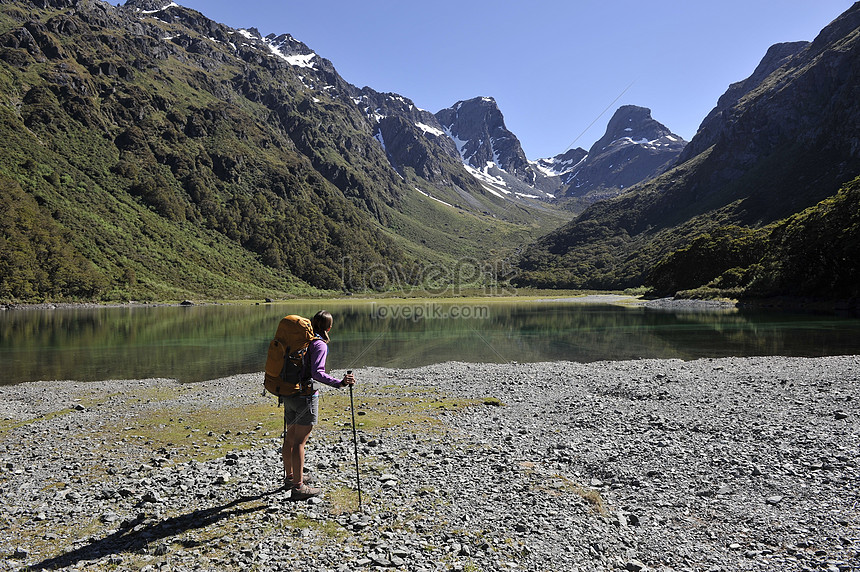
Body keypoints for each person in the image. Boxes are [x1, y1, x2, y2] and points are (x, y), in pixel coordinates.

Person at [282, 310, 355, 500]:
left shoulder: (301, 340)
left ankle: (290, 477)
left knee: (290, 439)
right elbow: (317, 373)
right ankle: (298, 487)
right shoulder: (319, 345)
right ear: (329, 327)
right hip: (305, 396)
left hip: (289, 393)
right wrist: (339, 382)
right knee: (299, 442)